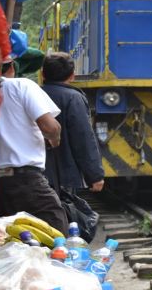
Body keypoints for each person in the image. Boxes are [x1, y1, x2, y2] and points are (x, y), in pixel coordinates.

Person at [0, 61, 68, 232]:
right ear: (11, 67)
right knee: (56, 231)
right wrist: (54, 140)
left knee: (5, 239)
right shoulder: (21, 85)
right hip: (25, 179)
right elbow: (50, 127)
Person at [40, 52, 104, 195]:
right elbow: (82, 138)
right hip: (64, 176)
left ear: (43, 74)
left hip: (35, 173)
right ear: (72, 75)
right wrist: (95, 175)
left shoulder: (32, 94)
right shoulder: (73, 98)